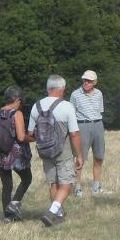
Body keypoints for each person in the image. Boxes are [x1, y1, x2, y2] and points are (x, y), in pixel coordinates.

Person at [31, 76, 84, 227]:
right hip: (63, 151)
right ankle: (52, 212)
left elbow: (30, 132)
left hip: (45, 151)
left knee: (53, 183)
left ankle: (58, 215)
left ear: (48, 89)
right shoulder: (66, 106)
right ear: (62, 89)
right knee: (67, 183)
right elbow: (74, 134)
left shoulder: (36, 106)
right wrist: (79, 155)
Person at [0, 85, 31, 221]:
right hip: (15, 156)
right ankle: (14, 204)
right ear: (17, 100)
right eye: (20, 101)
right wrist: (35, 138)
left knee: (7, 185)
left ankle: (8, 217)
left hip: (0, 155)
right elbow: (21, 137)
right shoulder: (16, 114)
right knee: (27, 179)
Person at [68, 70, 107, 198]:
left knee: (99, 157)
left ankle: (96, 186)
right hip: (82, 125)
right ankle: (77, 188)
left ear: (94, 82)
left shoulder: (99, 94)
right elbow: (71, 114)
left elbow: (100, 111)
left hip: (98, 124)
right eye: (84, 80)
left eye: (89, 81)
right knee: (80, 159)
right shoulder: (75, 94)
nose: (86, 82)